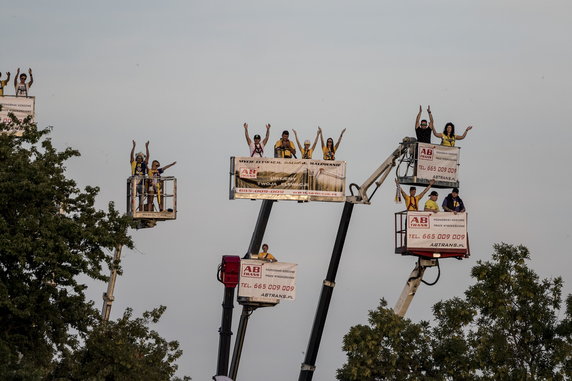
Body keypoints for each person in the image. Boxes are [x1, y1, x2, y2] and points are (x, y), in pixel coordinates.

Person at [130, 140, 150, 211]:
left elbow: (147, 157)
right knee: (133, 197)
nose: (139, 159)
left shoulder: (144, 164)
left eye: (140, 158)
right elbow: (131, 156)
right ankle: (133, 209)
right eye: (138, 157)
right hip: (135, 182)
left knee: (141, 199)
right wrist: (133, 147)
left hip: (142, 184)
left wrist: (147, 147)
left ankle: (140, 210)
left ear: (142, 159)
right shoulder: (134, 163)